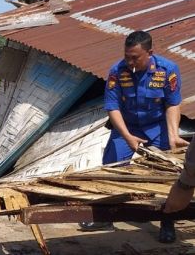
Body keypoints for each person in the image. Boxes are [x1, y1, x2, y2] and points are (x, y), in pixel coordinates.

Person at [80, 31, 186, 243]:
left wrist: (173, 134)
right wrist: (127, 136)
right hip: (126, 126)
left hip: (157, 127)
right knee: (111, 168)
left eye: (135, 57)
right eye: (127, 56)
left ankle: (167, 222)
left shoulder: (168, 70)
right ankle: (105, 217)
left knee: (164, 175)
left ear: (150, 53)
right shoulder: (117, 71)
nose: (130, 61)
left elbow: (173, 103)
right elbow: (112, 106)